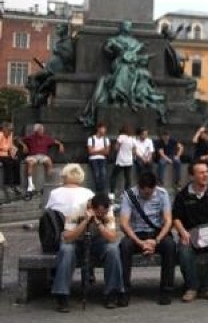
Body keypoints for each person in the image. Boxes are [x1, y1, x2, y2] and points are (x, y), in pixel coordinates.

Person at [50, 180, 126, 312]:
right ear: (92, 207)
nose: (102, 215)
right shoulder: (76, 209)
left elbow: (112, 237)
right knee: (66, 250)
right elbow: (67, 237)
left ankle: (112, 293)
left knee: (113, 249)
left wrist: (98, 223)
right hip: (76, 241)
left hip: (98, 241)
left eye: (104, 213)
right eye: (99, 213)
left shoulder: (107, 211)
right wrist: (85, 222)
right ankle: (61, 295)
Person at [172, 160, 208, 302]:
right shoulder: (183, 195)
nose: (205, 175)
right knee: (184, 251)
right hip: (191, 236)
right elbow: (176, 218)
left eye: (207, 172)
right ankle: (192, 287)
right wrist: (182, 231)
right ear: (192, 176)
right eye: (201, 173)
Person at [119, 171, 176, 305]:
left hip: (156, 232)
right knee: (124, 246)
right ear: (139, 187)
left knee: (170, 245)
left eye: (150, 193)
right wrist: (140, 242)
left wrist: (156, 241)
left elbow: (168, 221)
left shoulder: (162, 194)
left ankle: (166, 291)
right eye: (144, 193)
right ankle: (123, 291)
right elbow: (124, 223)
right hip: (136, 233)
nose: (147, 195)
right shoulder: (129, 195)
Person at [20, 123, 64, 195]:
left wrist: (60, 145)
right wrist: (24, 145)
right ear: (36, 131)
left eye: (42, 130)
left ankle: (47, 183)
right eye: (40, 130)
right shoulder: (30, 138)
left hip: (43, 156)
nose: (42, 131)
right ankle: (30, 185)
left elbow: (56, 141)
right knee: (30, 163)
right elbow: (18, 139)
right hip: (33, 156)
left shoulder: (46, 138)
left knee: (49, 162)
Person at [110, 125, 135, 200]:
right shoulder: (132, 139)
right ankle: (126, 194)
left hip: (121, 160)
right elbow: (134, 151)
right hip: (129, 161)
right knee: (128, 178)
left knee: (113, 177)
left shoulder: (121, 137)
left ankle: (112, 194)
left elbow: (116, 147)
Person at [0, 122, 22, 201]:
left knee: (16, 162)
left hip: (6, 155)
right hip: (1, 155)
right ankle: (7, 185)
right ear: (3, 129)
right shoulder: (1, 135)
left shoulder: (9, 135)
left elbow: (10, 147)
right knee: (8, 163)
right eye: (8, 130)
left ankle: (16, 184)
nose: (10, 132)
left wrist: (13, 156)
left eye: (11, 130)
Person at [87, 123, 111, 194]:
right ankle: (98, 192)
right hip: (93, 159)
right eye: (103, 129)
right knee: (96, 174)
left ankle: (101, 192)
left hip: (102, 159)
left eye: (105, 129)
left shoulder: (106, 139)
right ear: (98, 129)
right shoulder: (91, 139)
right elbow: (90, 152)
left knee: (103, 174)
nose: (104, 131)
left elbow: (107, 152)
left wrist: (96, 150)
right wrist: (102, 150)